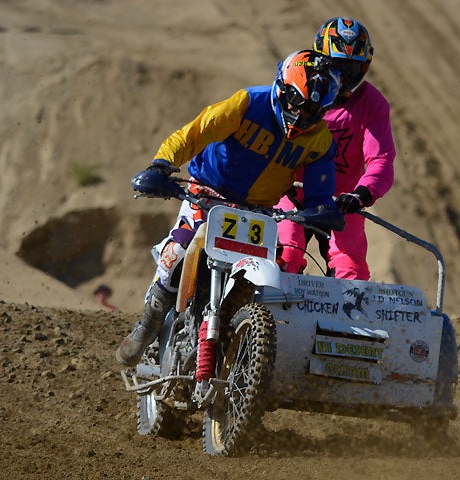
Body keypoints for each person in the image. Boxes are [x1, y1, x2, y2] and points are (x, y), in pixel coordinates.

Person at [116, 49, 344, 367]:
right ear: (282, 86)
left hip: (260, 212)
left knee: (275, 273)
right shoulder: (248, 103)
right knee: (181, 247)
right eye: (298, 102)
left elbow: (320, 191)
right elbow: (195, 133)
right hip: (207, 193)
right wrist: (161, 164)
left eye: (314, 111)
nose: (303, 114)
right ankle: (149, 322)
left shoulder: (320, 140)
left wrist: (323, 210)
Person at [276, 17, 396, 280]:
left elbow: (381, 159)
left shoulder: (373, 104)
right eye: (337, 67)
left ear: (364, 68)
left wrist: (362, 194)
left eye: (351, 69)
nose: (343, 78)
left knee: (351, 272)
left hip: (343, 202)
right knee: (285, 257)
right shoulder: (298, 88)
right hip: (292, 193)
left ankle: (343, 322)